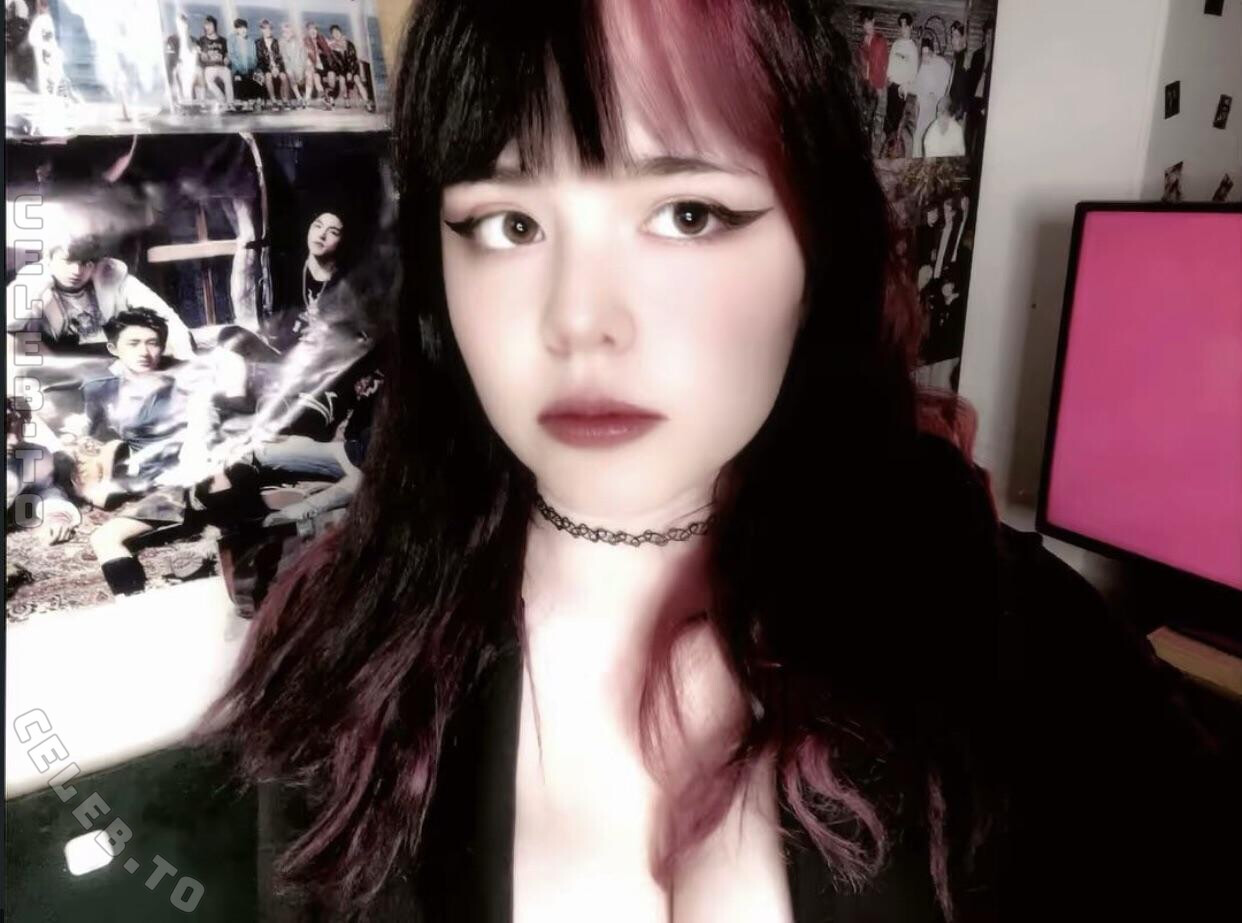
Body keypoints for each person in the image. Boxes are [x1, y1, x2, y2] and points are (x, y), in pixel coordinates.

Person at [201, 2, 1240, 922]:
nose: (580, 321)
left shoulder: (1012, 637)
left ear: (817, 252)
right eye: (509, 224)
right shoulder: (342, 654)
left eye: (687, 214)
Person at [74, 308, 249, 596]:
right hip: (159, 482)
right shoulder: (99, 387)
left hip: (201, 469)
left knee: (217, 474)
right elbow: (94, 437)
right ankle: (133, 603)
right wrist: (101, 475)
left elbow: (213, 421)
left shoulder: (185, 377)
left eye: (152, 343)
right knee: (105, 538)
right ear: (113, 348)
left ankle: (233, 540)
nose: (144, 352)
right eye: (133, 343)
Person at [5, 240, 195, 360]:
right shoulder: (34, 278)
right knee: (9, 340)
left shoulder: (111, 274)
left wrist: (186, 356)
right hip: (59, 361)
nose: (77, 271)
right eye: (67, 261)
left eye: (86, 263)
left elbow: (162, 312)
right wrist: (41, 280)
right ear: (49, 259)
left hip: (112, 356)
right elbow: (9, 322)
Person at [5, 396, 80, 545]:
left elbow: (44, 490)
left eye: (21, 427)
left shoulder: (31, 456)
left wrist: (57, 516)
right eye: (5, 427)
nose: (14, 440)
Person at [853, 8, 887, 154]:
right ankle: (865, 150)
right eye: (864, 24)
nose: (867, 26)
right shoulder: (862, 44)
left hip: (878, 86)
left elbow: (883, 64)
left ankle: (875, 151)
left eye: (868, 22)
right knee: (866, 120)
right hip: (866, 87)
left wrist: (880, 86)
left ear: (873, 21)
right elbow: (860, 66)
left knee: (877, 120)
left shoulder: (880, 41)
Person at [883, 12, 917, 153]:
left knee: (898, 121)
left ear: (911, 27)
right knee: (888, 119)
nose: (903, 29)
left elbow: (913, 73)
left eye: (905, 26)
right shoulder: (896, 44)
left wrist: (905, 86)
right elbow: (890, 64)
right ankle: (888, 146)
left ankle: (895, 149)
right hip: (892, 86)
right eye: (901, 26)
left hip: (902, 90)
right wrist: (888, 79)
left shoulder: (913, 48)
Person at [911, 37, 950, 157]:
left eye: (927, 54)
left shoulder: (942, 64)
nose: (925, 57)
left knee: (928, 136)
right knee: (918, 135)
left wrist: (936, 95)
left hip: (935, 105)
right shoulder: (923, 66)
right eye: (923, 54)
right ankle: (917, 159)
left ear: (932, 52)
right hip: (924, 105)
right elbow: (917, 84)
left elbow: (944, 85)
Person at [327, 23, 370, 110]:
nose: (336, 34)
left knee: (357, 80)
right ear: (332, 35)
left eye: (337, 32)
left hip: (352, 68)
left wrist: (350, 72)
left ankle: (367, 103)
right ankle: (347, 101)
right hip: (342, 70)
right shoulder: (332, 47)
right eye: (334, 33)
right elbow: (334, 63)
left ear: (340, 32)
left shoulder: (349, 44)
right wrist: (340, 72)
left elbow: (353, 60)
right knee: (342, 80)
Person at [197, 14, 233, 107]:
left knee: (228, 77)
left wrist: (227, 58)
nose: (207, 27)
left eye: (209, 25)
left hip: (222, 66)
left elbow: (227, 54)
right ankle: (222, 100)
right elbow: (200, 54)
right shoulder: (202, 40)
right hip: (210, 67)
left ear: (214, 26)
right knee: (209, 81)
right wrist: (203, 56)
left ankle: (230, 103)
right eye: (206, 25)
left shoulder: (223, 40)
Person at [255, 18, 290, 108]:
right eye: (265, 29)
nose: (267, 31)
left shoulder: (276, 42)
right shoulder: (258, 43)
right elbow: (260, 59)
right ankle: (273, 100)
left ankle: (285, 100)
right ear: (261, 30)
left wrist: (277, 68)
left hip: (277, 66)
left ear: (271, 30)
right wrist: (271, 68)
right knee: (268, 76)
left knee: (284, 76)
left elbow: (280, 57)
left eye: (269, 28)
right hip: (265, 66)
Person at [227, 18, 260, 110]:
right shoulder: (231, 39)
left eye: (245, 28)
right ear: (236, 29)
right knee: (240, 77)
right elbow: (232, 55)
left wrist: (251, 67)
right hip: (237, 68)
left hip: (250, 67)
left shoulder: (251, 40)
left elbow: (254, 57)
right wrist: (241, 68)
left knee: (258, 76)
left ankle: (256, 101)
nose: (243, 30)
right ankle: (245, 102)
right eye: (240, 28)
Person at [304, 21, 336, 109]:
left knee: (331, 76)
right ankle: (325, 99)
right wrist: (309, 65)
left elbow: (330, 45)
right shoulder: (305, 41)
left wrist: (335, 43)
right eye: (311, 29)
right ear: (307, 31)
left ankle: (329, 96)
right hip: (315, 66)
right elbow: (305, 55)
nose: (313, 31)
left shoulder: (321, 38)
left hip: (326, 64)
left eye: (315, 29)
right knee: (316, 78)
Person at [277, 21, 307, 106]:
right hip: (286, 65)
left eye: (289, 31)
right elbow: (284, 58)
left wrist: (300, 67)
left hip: (298, 65)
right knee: (289, 73)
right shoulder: (281, 42)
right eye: (285, 32)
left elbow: (302, 56)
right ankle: (298, 97)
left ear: (292, 32)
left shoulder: (297, 41)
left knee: (301, 74)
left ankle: (302, 97)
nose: (287, 33)